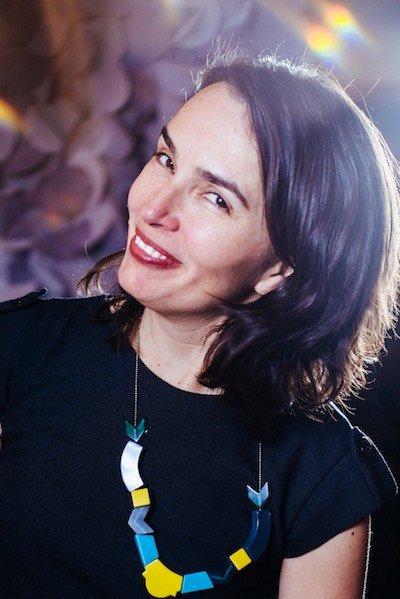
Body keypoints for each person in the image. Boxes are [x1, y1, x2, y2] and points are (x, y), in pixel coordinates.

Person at [0, 49, 399, 599]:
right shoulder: (19, 349)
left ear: (279, 270)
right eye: (167, 159)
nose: (153, 209)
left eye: (215, 198)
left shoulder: (322, 471)